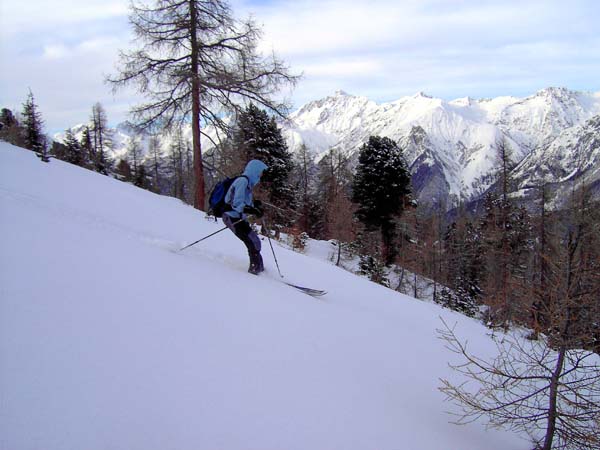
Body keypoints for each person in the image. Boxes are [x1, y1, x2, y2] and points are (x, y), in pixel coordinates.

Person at [222, 159, 268, 274]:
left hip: (238, 218)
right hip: (231, 217)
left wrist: (255, 206)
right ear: (255, 170)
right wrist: (252, 209)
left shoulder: (247, 184)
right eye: (260, 172)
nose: (261, 175)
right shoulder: (242, 181)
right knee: (253, 241)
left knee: (255, 241)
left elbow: (244, 202)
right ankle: (254, 270)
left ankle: (259, 269)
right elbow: (237, 203)